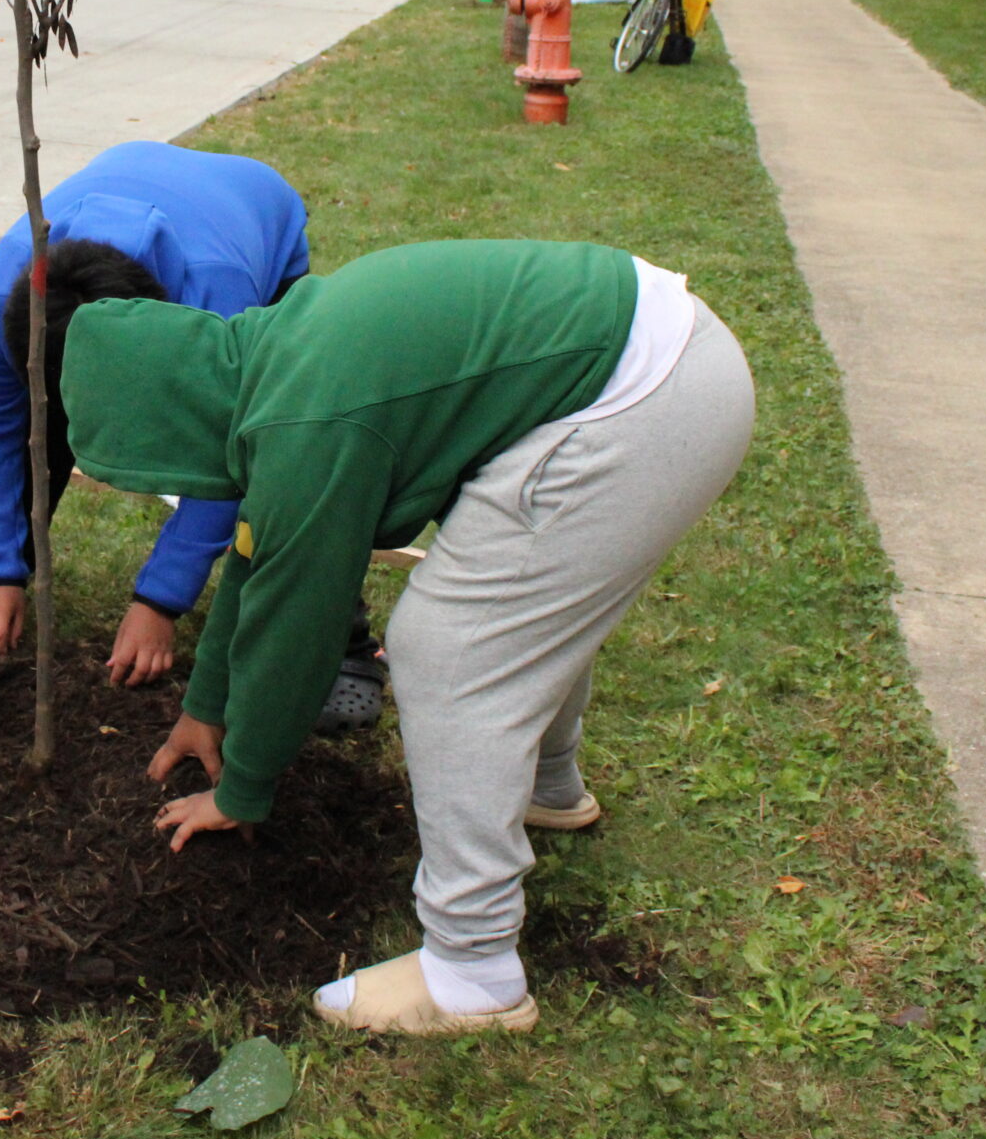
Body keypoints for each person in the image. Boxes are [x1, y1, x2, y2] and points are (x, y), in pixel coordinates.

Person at [58, 239, 755, 1034]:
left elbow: (297, 624)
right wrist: (206, 702)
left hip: (647, 401)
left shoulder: (306, 424)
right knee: (524, 597)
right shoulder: (276, 359)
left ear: (167, 419)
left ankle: (473, 966)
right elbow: (260, 550)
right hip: (666, 361)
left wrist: (242, 786)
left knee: (447, 646)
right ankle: (547, 787)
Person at [0, 141, 385, 726]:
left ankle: (345, 645)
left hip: (251, 207)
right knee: (40, 425)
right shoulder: (5, 291)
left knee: (287, 450)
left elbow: (227, 457)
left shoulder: (221, 303)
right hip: (138, 175)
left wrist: (160, 601)